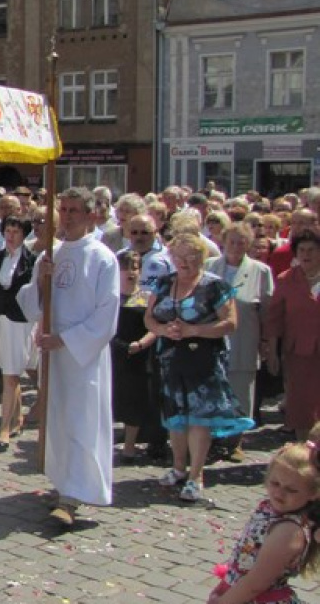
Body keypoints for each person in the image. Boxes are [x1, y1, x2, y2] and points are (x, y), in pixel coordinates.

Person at [17, 187, 119, 527]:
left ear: (92, 215)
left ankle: (74, 495)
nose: (69, 215)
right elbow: (32, 305)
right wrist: (42, 282)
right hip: (53, 352)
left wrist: (66, 339)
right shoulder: (52, 254)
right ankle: (62, 482)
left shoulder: (102, 257)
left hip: (82, 356)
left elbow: (107, 315)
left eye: (76, 209)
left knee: (81, 420)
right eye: (64, 208)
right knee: (57, 420)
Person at [146, 233, 249, 503]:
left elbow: (230, 323)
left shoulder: (214, 286)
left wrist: (195, 330)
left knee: (199, 418)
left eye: (190, 257)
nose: (183, 262)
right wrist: (163, 329)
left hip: (204, 359)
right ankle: (178, 467)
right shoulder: (164, 282)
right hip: (170, 357)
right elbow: (149, 318)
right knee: (176, 416)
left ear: (202, 258)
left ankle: (196, 475)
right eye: (178, 257)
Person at [208, 439, 320, 603]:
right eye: (275, 483)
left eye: (291, 490)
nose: (279, 493)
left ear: (314, 493)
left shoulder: (288, 531)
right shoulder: (269, 509)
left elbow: (257, 583)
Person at [205, 222, 274, 462]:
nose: (236, 246)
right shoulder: (209, 267)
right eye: (232, 241)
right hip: (212, 340)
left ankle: (235, 442)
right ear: (223, 241)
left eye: (241, 241)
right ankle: (212, 440)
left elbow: (267, 310)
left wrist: (266, 341)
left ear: (250, 244)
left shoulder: (261, 271)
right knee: (214, 392)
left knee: (242, 392)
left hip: (245, 338)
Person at [0, 216, 36, 451]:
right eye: (8, 230)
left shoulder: (32, 261)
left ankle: (3, 429)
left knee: (12, 374)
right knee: (6, 369)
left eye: (16, 231)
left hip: (20, 321)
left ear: (24, 234)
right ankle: (17, 419)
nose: (11, 235)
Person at [265, 228, 320, 441]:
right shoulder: (286, 279)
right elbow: (274, 319)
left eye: (312, 250)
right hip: (298, 353)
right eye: (302, 250)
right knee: (301, 406)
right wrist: (271, 352)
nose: (306, 254)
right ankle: (305, 455)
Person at [109, 251, 158, 464]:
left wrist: (141, 344)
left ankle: (129, 447)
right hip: (113, 352)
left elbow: (155, 326)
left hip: (139, 355)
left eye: (135, 267)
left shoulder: (147, 297)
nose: (131, 272)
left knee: (135, 401)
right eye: (126, 267)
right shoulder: (109, 297)